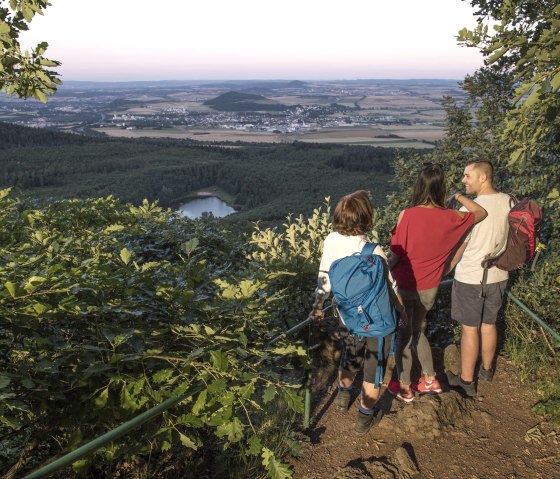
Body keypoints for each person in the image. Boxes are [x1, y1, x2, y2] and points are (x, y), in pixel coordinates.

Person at [387, 163, 487, 402]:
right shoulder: (452, 217)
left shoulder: (408, 215)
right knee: (417, 329)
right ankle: (429, 379)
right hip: (430, 287)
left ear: (419, 186)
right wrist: (458, 196)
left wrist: (380, 275)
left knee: (404, 334)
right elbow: (481, 213)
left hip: (405, 285)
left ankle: (403, 386)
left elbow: (394, 256)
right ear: (441, 187)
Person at [310, 190, 406, 436]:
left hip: (348, 318)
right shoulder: (373, 251)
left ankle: (343, 399)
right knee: (374, 370)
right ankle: (363, 421)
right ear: (367, 217)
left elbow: (324, 278)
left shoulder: (330, 240)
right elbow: (391, 287)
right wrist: (402, 311)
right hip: (377, 323)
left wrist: (318, 305)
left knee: (350, 357)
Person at [445, 160, 511, 397]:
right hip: (499, 275)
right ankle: (486, 370)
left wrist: (444, 271)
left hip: (471, 276)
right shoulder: (509, 201)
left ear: (483, 177)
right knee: (489, 324)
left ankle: (466, 380)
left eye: (467, 176)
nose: (463, 180)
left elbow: (459, 248)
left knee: (469, 330)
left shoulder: (469, 210)